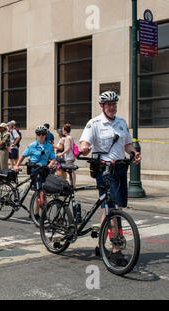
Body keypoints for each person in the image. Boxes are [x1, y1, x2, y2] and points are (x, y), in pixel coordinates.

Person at [79, 91, 141, 265]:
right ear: (102, 106)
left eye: (114, 104)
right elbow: (85, 142)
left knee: (113, 208)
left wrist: (134, 153)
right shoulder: (94, 123)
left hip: (120, 169)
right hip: (104, 170)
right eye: (109, 105)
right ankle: (116, 250)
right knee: (113, 209)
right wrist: (84, 148)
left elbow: (127, 144)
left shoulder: (121, 122)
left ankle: (100, 244)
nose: (112, 107)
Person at [14, 126, 56, 222]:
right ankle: (42, 214)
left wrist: (51, 163)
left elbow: (53, 157)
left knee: (42, 192)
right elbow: (23, 156)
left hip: (44, 170)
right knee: (40, 192)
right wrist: (16, 165)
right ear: (36, 135)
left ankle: (35, 214)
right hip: (35, 169)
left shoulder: (49, 146)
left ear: (46, 135)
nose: (41, 136)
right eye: (39, 134)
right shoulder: (32, 145)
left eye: (43, 134)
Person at [56, 123, 76, 187]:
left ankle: (72, 185)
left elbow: (67, 148)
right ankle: (72, 184)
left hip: (69, 157)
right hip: (69, 157)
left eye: (63, 130)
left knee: (71, 172)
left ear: (65, 131)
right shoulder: (69, 137)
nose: (62, 131)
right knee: (71, 171)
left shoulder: (68, 138)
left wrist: (61, 154)